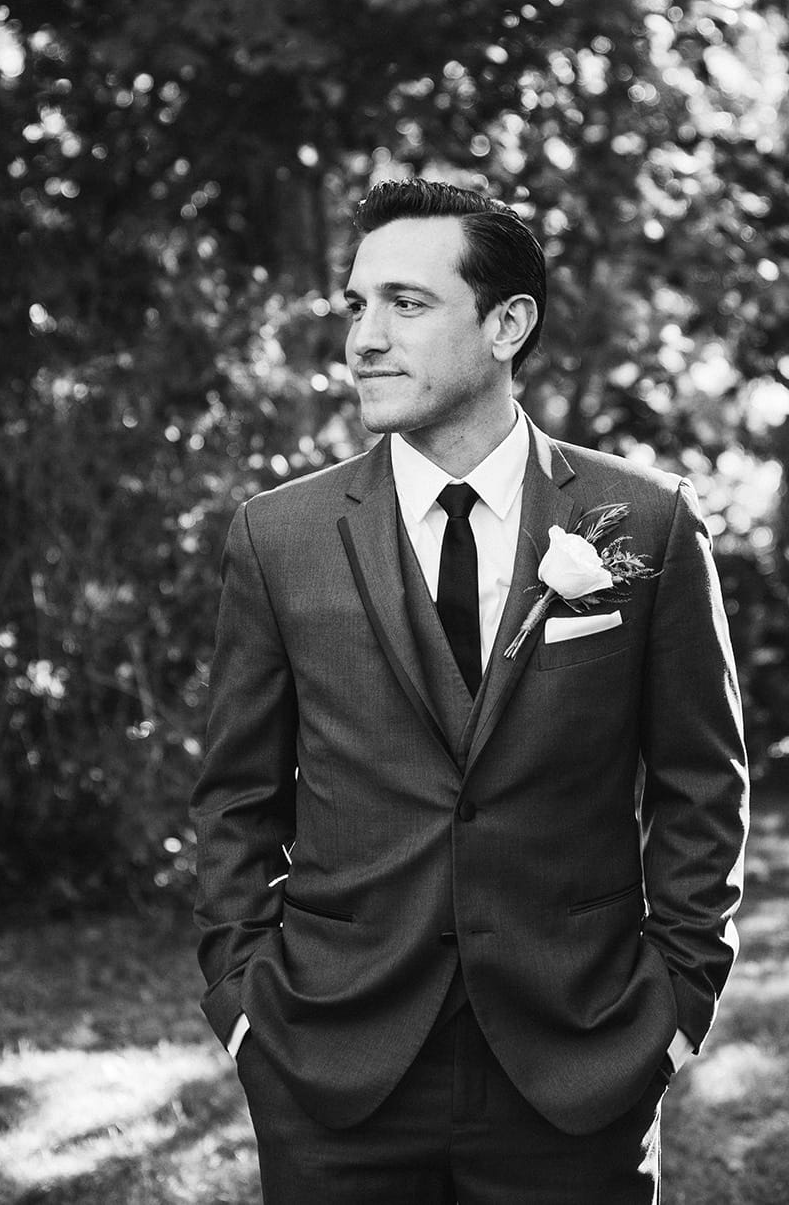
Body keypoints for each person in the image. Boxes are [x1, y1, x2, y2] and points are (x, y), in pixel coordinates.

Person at [191, 180, 748, 1204]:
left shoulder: (647, 520)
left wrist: (675, 1011)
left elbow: (700, 785)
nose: (364, 337)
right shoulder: (279, 537)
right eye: (357, 304)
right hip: (333, 1063)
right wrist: (242, 1007)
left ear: (507, 324)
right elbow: (236, 798)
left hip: (577, 1058)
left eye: (406, 303)